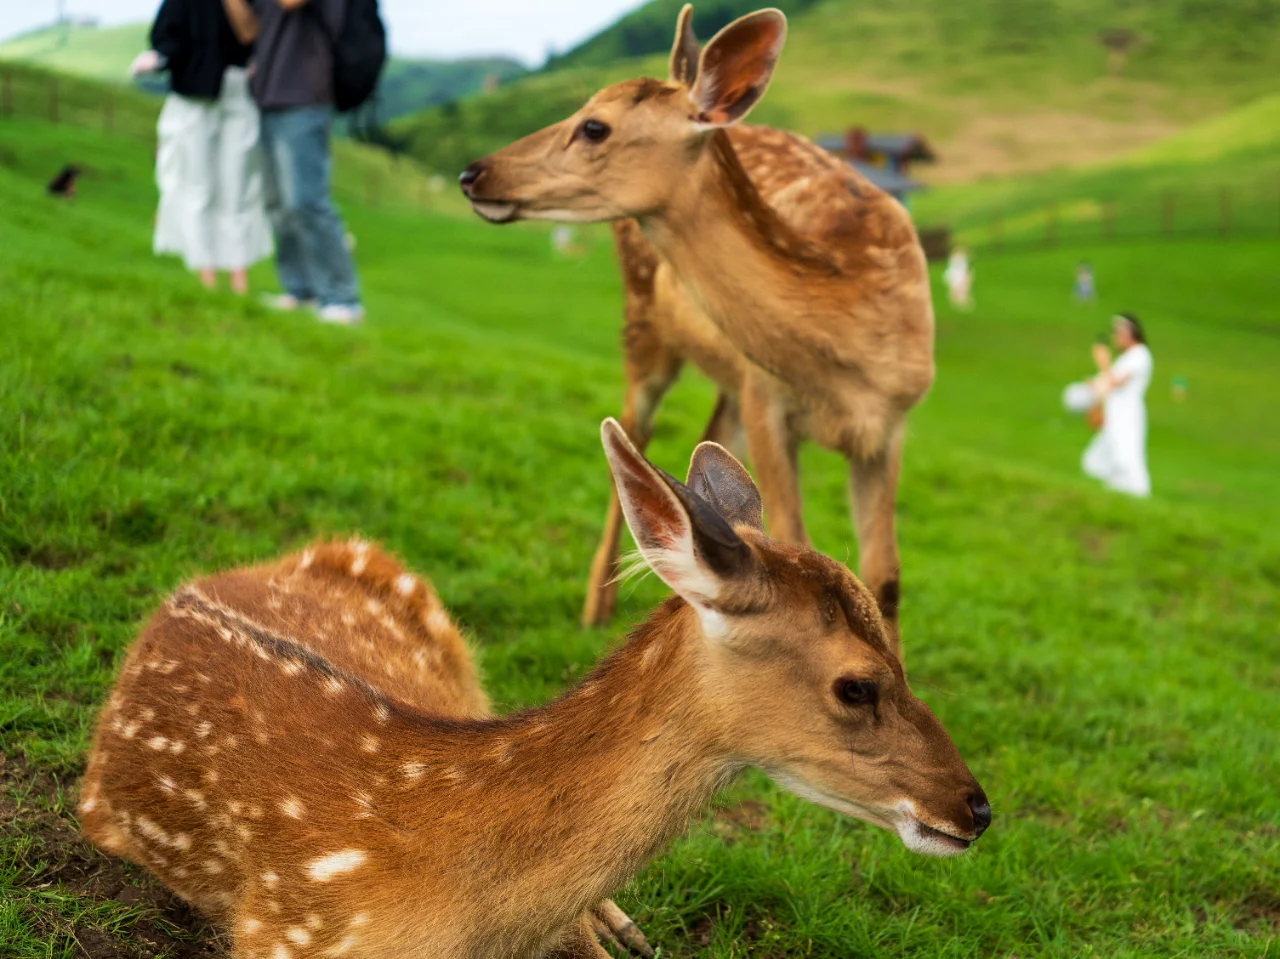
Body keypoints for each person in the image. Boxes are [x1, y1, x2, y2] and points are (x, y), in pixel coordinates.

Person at [220, 0, 366, 324]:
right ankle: (301, 291)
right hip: (266, 94)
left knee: (306, 201)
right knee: (277, 204)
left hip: (305, 96)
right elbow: (248, 31)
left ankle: (343, 299)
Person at [131, 0, 272, 294]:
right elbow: (168, 36)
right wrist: (160, 58)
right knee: (198, 187)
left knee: (236, 189)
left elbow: (257, 32)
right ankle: (206, 276)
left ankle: (238, 281)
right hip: (195, 94)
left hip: (239, 91)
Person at [1082, 313, 1153, 497]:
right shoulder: (1126, 358)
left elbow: (1116, 381)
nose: (1115, 337)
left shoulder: (1140, 355)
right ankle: (1115, 494)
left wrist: (1103, 361)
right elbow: (1106, 383)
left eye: (1118, 332)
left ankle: (1139, 496)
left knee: (1128, 458)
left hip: (1128, 415)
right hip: (1115, 414)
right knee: (1098, 460)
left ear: (1130, 332)